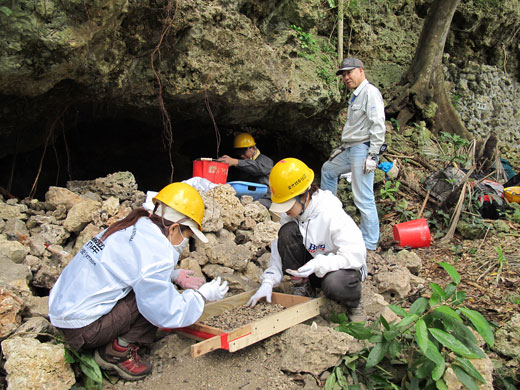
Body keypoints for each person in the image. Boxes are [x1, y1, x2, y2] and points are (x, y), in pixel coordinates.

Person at [48, 182, 229, 381]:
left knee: (152, 289)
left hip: (64, 313)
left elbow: (127, 265)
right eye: (187, 235)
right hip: (83, 329)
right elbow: (163, 310)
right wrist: (200, 296)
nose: (186, 241)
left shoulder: (135, 226)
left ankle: (110, 341)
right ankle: (117, 351)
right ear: (174, 227)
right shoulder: (156, 252)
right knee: (150, 300)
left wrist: (173, 275)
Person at [246, 158, 367, 322]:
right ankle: (302, 286)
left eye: (288, 205)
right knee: (286, 232)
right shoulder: (290, 215)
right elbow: (279, 249)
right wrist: (268, 281)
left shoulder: (330, 213)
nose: (286, 211)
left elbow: (356, 256)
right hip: (311, 268)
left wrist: (319, 264)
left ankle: (353, 304)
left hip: (341, 269)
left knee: (334, 285)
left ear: (304, 196)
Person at [320, 58, 386, 251]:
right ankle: (329, 219)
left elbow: (378, 125)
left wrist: (372, 155)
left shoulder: (370, 93)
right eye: (343, 74)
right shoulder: (355, 96)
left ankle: (370, 244)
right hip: (350, 148)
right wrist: (342, 147)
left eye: (349, 73)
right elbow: (356, 127)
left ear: (361, 71)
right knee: (328, 170)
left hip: (363, 149)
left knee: (363, 197)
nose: (346, 77)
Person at [218, 132, 274, 207]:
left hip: (267, 199)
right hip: (250, 197)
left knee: (250, 205)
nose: (241, 155)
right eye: (238, 152)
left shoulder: (265, 161)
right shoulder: (243, 166)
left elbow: (257, 168)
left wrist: (235, 162)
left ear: (253, 148)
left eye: (243, 152)